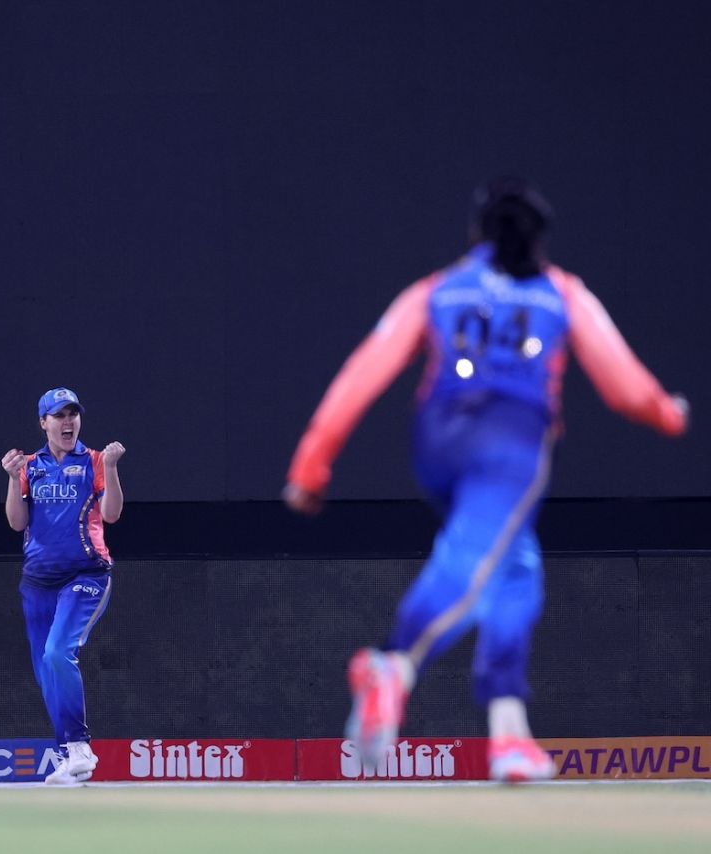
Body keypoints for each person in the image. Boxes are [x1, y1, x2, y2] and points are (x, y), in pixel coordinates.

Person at [283, 178, 688, 783]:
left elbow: (361, 374)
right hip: (511, 446)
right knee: (474, 559)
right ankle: (395, 666)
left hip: (437, 443)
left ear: (476, 234)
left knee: (516, 565)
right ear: (539, 241)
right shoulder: (561, 293)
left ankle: (509, 734)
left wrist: (311, 464)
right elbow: (627, 389)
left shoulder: (437, 289)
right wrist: (669, 413)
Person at [1, 388, 125, 785]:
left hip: (85, 575)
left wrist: (112, 466)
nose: (68, 422)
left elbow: (112, 514)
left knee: (58, 652)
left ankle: (79, 747)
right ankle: (68, 757)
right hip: (38, 582)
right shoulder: (29, 466)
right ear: (44, 423)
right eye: (59, 416)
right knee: (46, 671)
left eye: (73, 415)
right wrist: (10, 478)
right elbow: (17, 523)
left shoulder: (93, 461)